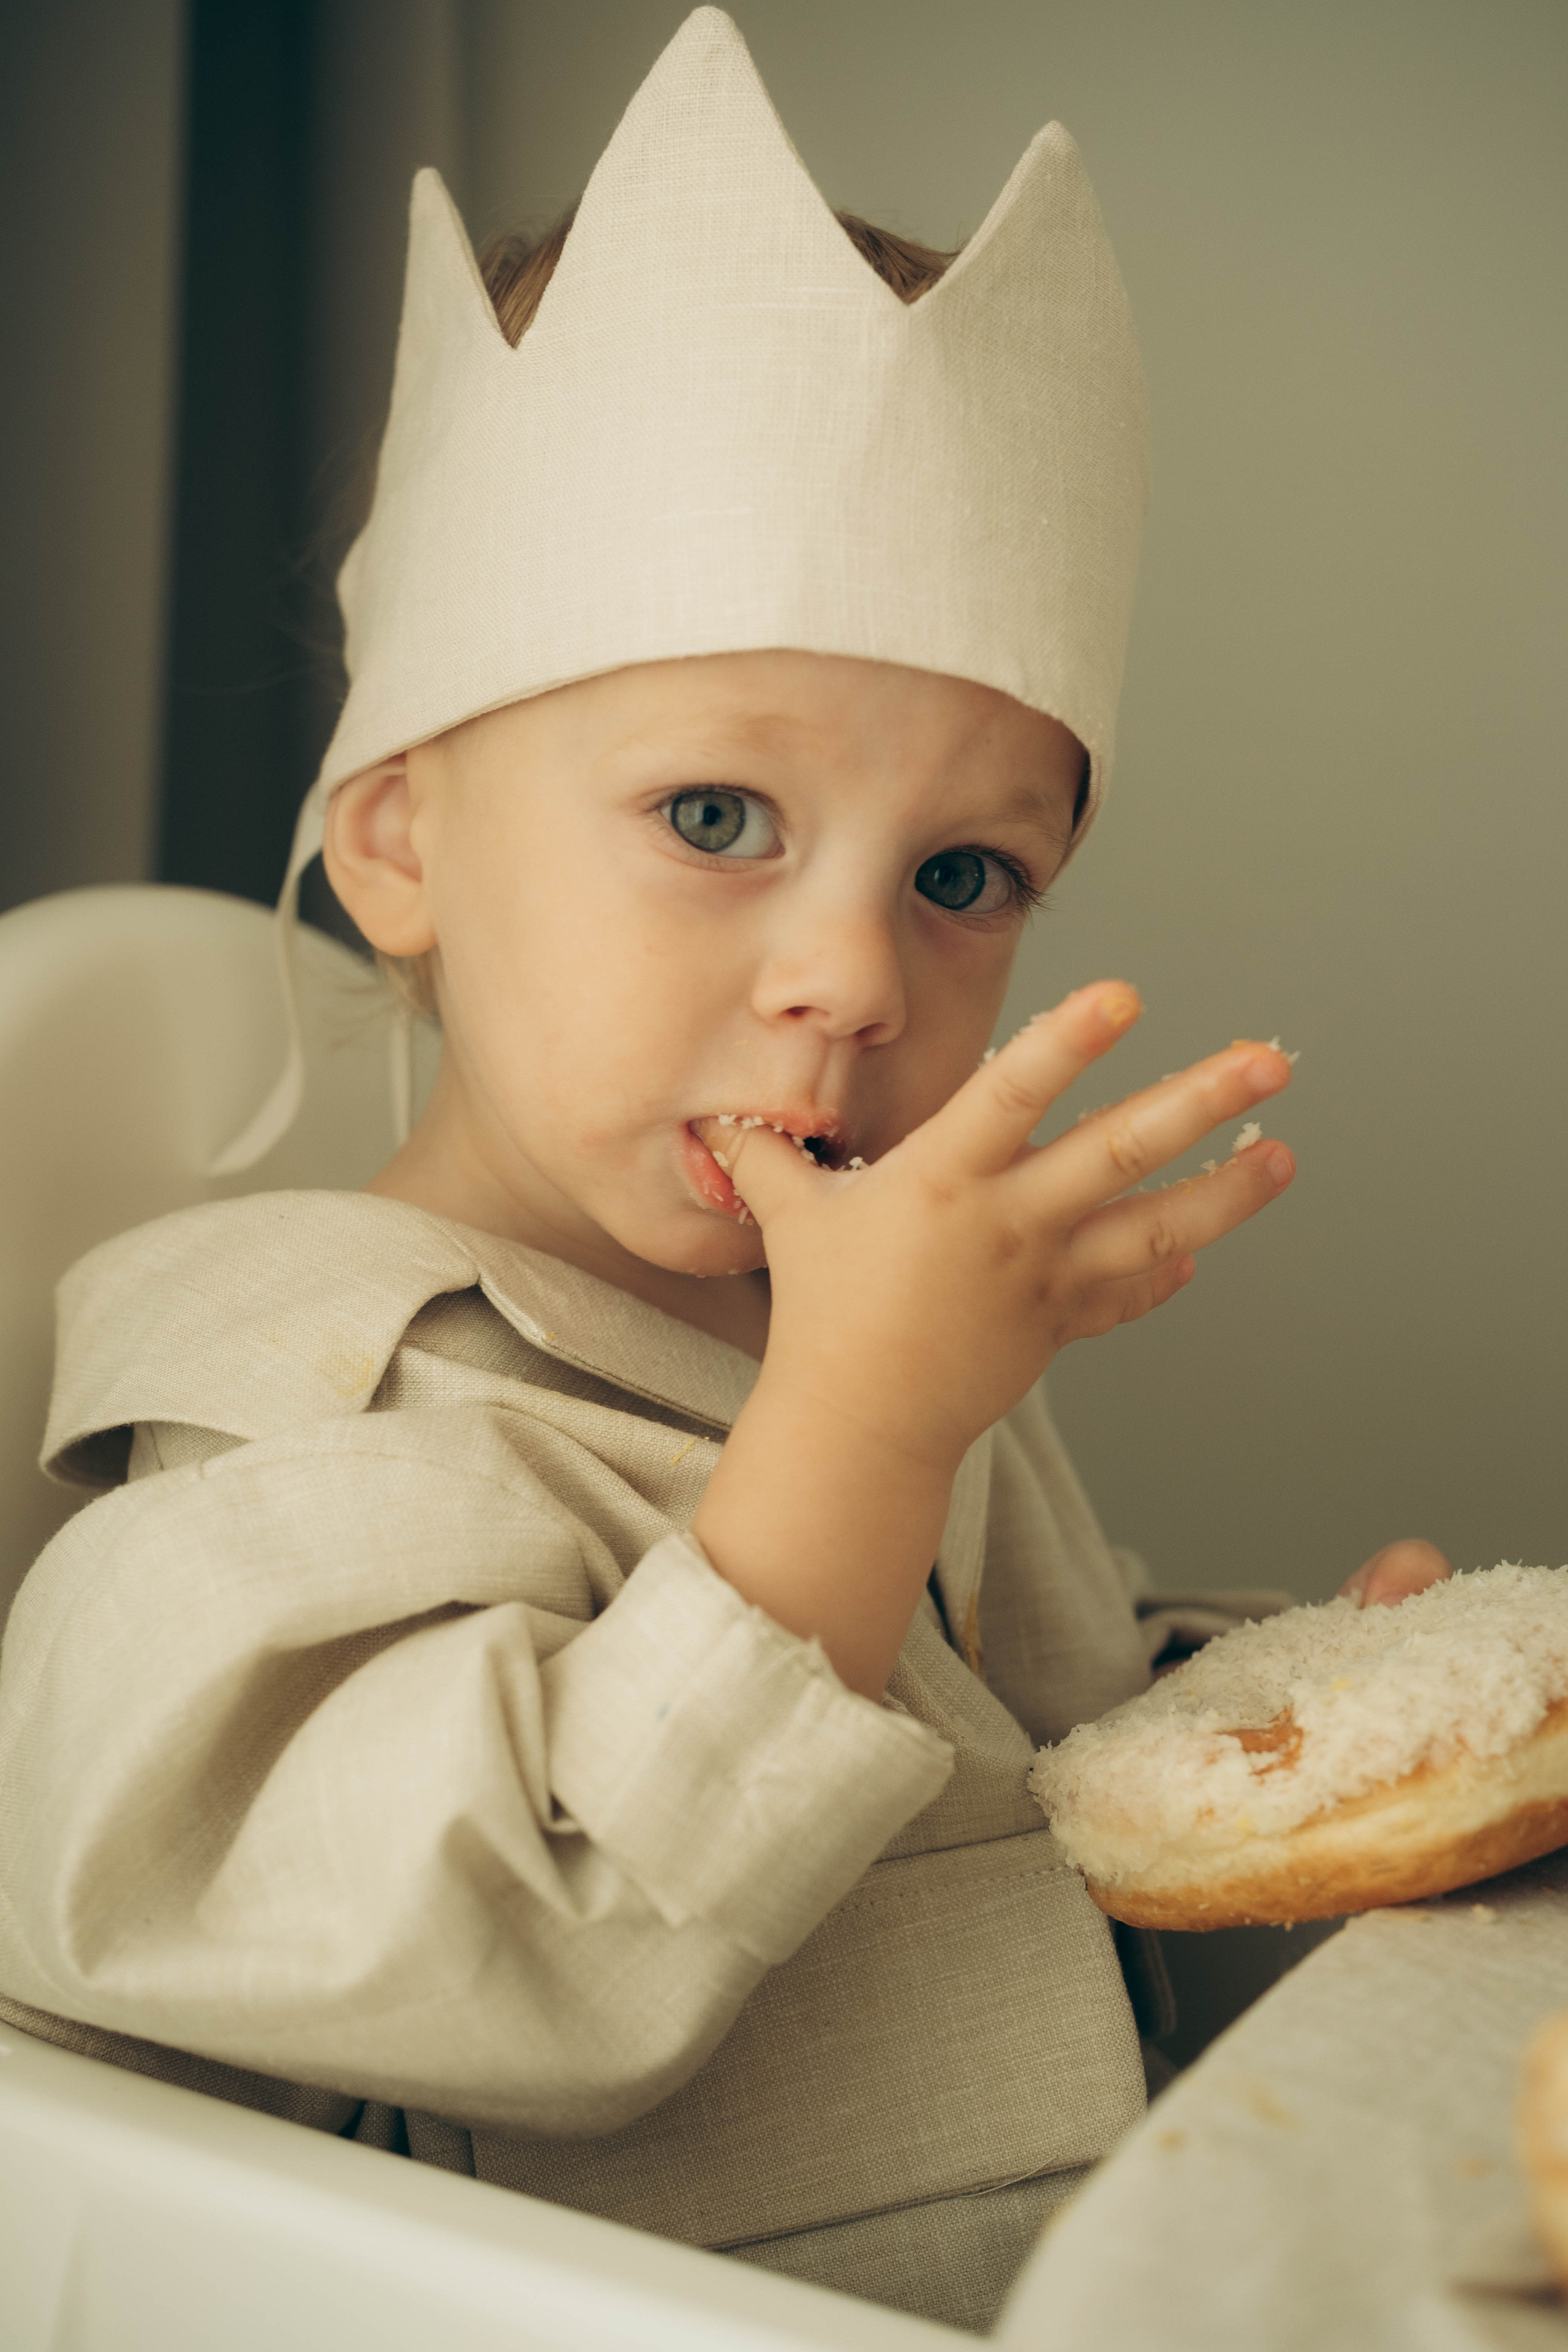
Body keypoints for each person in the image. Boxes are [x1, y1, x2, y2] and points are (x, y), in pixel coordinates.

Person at [0, 12, 1449, 2333]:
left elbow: (1027, 1801)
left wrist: (1269, 1760)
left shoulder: (871, 1323)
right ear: (398, 843)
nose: (854, 974)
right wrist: (861, 1435)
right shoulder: (284, 1403)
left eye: (969, 875)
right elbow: (504, 1965)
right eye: (715, 820)